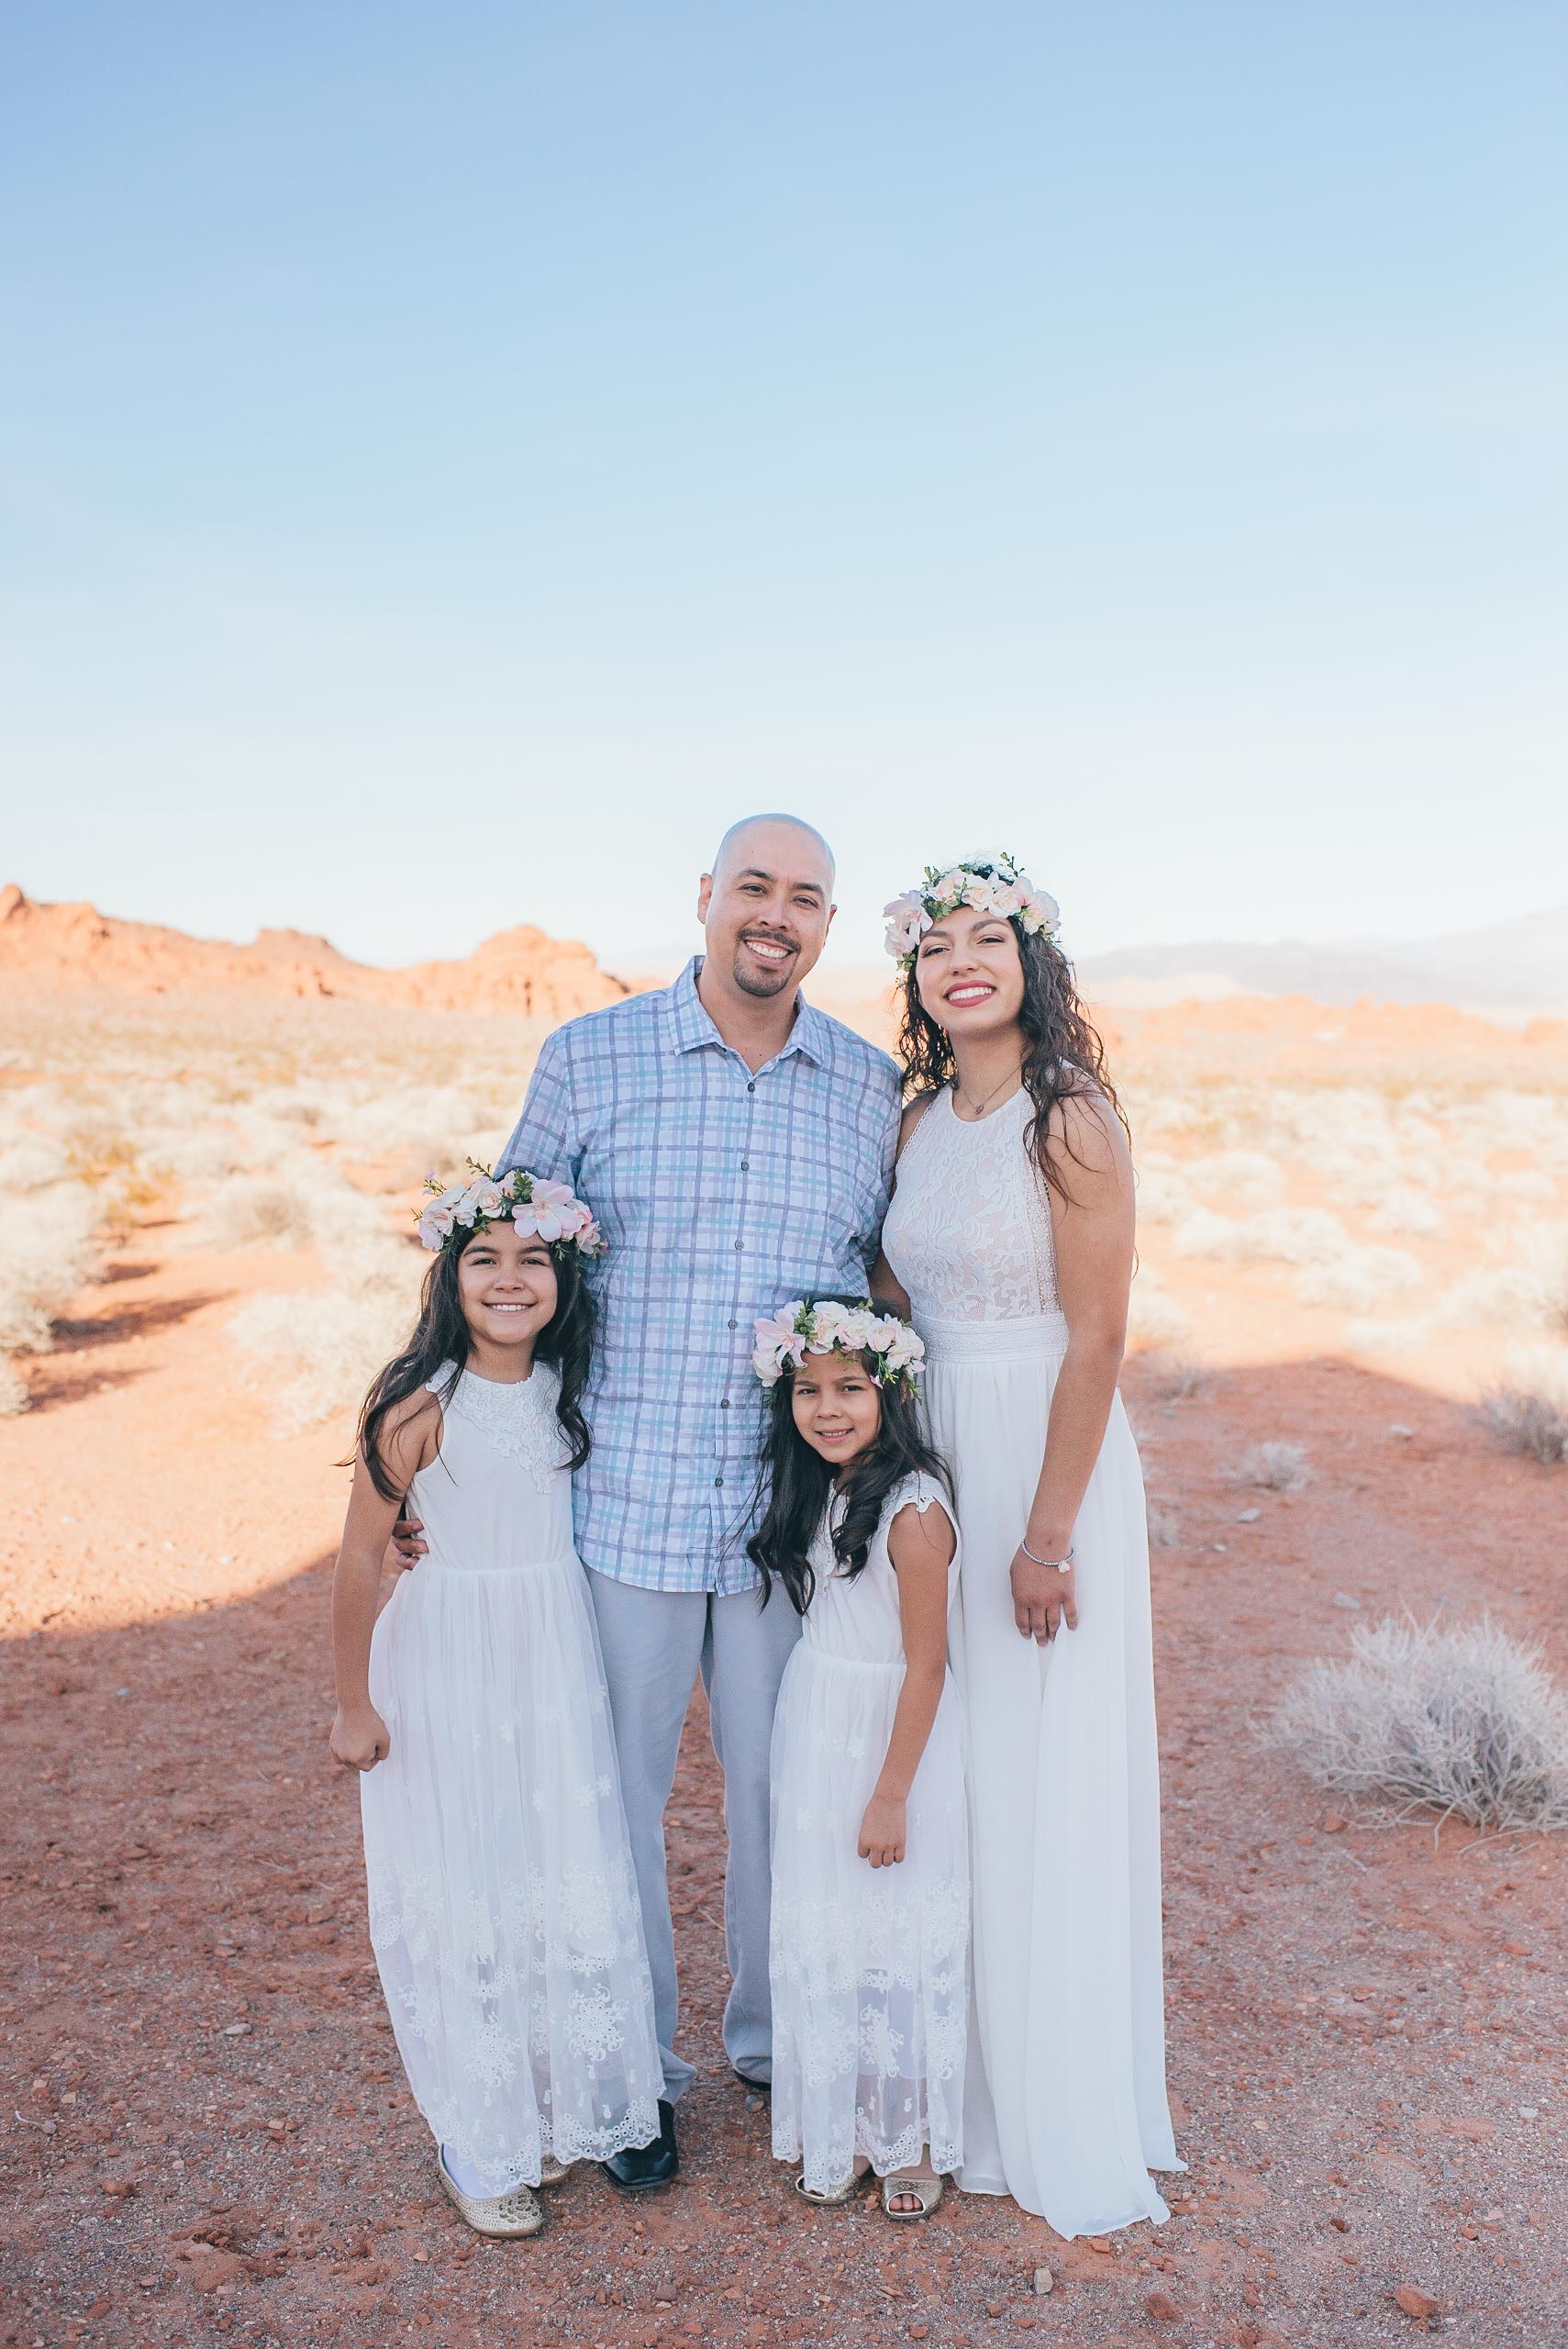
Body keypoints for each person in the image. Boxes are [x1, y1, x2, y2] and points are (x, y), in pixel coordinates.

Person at [399, 816, 902, 2188]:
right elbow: (497, 1258)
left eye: (805, 899)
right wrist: (433, 1424)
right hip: (617, 1501)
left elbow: (886, 1291)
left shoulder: (867, 1088)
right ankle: (636, 2073)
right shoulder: (589, 1055)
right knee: (609, 1797)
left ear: (824, 924)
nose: (775, 917)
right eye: (754, 888)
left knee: (786, 1793)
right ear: (705, 898)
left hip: (787, 1525)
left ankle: (776, 2041)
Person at [877, 852, 1182, 2238]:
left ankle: (1047, 2094)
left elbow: (1101, 1336)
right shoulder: (920, 1121)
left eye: (985, 935)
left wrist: (1047, 1534)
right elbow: (893, 1280)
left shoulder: (1072, 1120)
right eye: (936, 944)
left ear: (1029, 960)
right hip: (935, 1437)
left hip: (1041, 1452)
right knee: (952, 1760)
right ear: (919, 982)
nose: (961, 960)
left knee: (1040, 1758)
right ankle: (952, 2071)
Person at [328, 1164, 662, 2239]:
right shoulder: (421, 1406)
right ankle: (476, 2133)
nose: (509, 1280)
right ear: (448, 1276)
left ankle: (557, 2100)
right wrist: (351, 1702)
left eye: (532, 1260)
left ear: (563, 1275)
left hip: (550, 1654)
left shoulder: (573, 1391)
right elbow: (355, 1560)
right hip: (447, 1656)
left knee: (547, 1862)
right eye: (483, 1259)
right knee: (464, 1874)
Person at [749, 1297, 967, 2221]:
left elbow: (926, 1663)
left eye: (849, 1387)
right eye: (806, 1389)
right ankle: (838, 2124)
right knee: (828, 1919)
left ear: (892, 1392)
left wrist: (889, 1794)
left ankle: (910, 2134)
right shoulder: (818, 1485)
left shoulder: (912, 1509)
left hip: (889, 1733)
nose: (826, 1408)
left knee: (896, 1927)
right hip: (818, 1716)